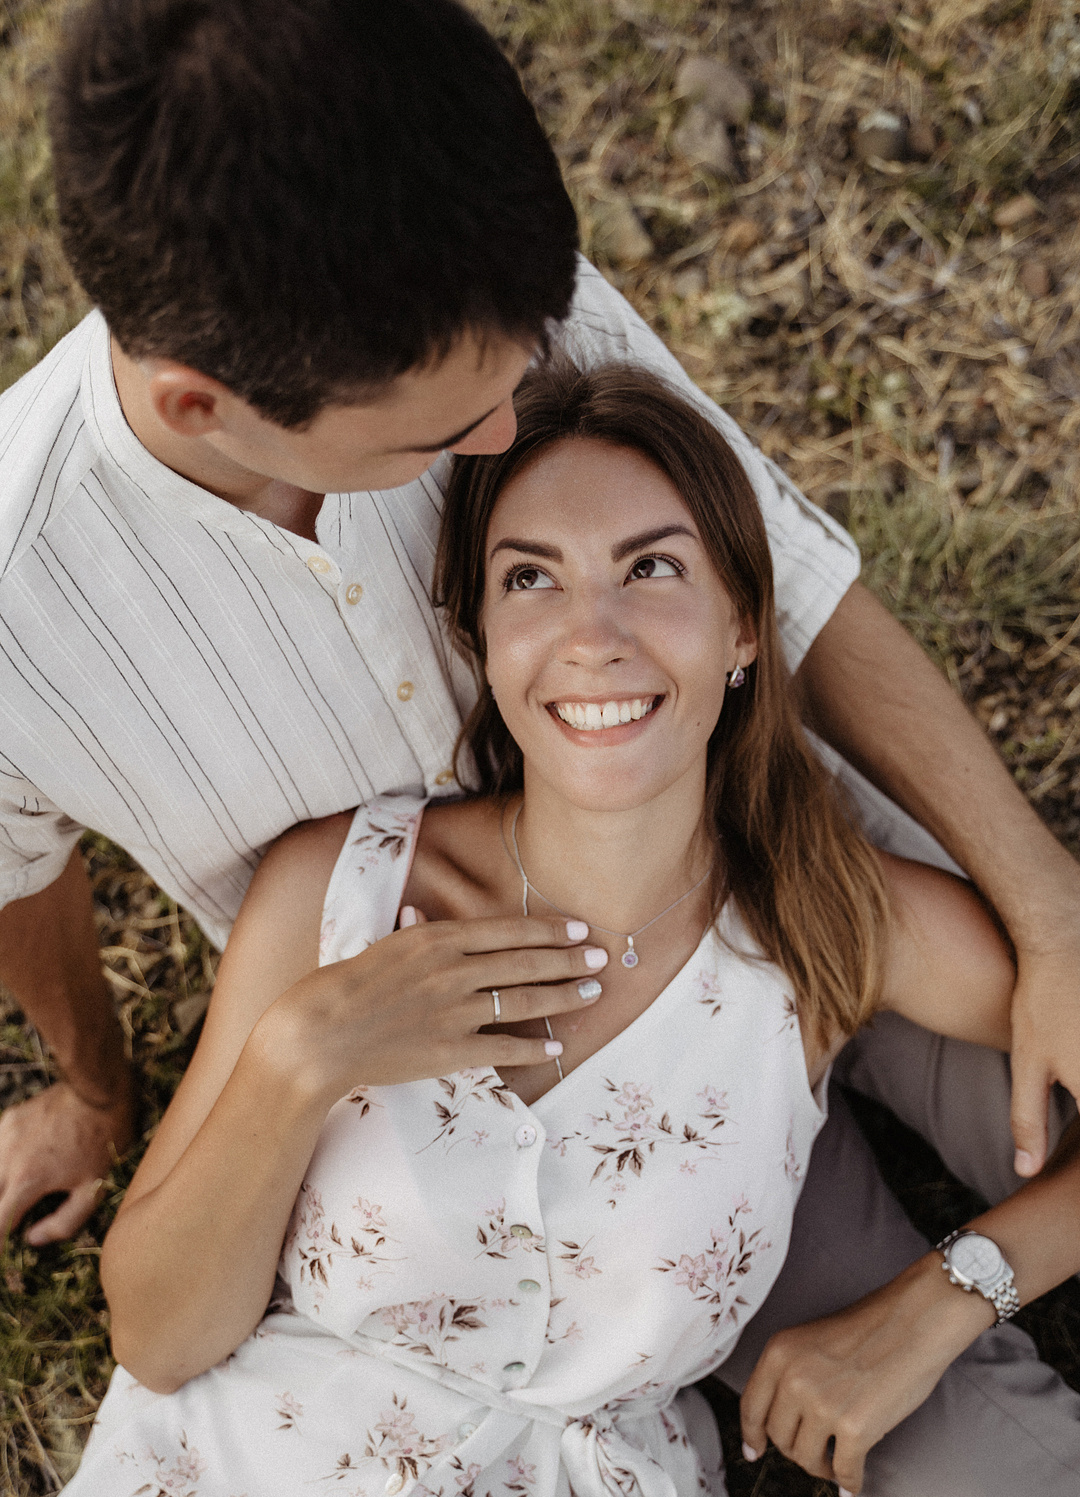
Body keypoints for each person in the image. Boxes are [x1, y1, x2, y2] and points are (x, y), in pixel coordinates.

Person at [1, 0, 1079, 1260]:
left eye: (514, 377)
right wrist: (94, 1089)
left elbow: (790, 582)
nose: (505, 435)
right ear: (204, 403)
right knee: (951, 1446)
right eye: (440, 435)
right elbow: (18, 874)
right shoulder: (20, 608)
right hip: (531, 1115)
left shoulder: (477, 287)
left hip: (797, 852)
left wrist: (1049, 912)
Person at [15, 360, 1080, 1497]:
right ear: (477, 631)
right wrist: (298, 1063)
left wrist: (955, 1294)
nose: (593, 636)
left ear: (747, 626)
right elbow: (160, 1336)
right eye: (533, 577)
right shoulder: (340, 885)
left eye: (653, 568)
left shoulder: (834, 917)